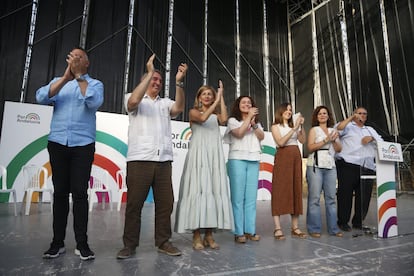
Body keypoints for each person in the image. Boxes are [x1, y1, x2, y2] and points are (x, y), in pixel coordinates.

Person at [116, 54, 188, 259]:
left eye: (158, 80)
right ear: (144, 81)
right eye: (152, 79)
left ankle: (163, 242)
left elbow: (179, 107)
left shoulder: (165, 103)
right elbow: (133, 102)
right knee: (134, 205)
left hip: (164, 161)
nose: (156, 82)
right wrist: (150, 72)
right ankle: (129, 245)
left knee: (165, 203)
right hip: (140, 160)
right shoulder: (133, 97)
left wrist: (179, 83)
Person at [36, 47, 104, 260]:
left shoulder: (94, 84)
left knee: (80, 193)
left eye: (79, 57)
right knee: (60, 193)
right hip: (57, 143)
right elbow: (41, 97)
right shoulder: (59, 82)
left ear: (86, 63)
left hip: (83, 145)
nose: (74, 59)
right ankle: (57, 243)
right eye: (71, 56)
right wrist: (66, 77)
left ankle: (82, 244)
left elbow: (93, 101)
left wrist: (78, 78)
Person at [174, 80, 233, 250]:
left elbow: (224, 118)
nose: (207, 96)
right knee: (198, 191)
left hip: (213, 156)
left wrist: (221, 96)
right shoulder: (193, 112)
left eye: (210, 94)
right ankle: (196, 235)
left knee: (213, 192)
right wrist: (216, 99)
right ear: (199, 98)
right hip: (199, 156)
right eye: (204, 94)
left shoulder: (215, 116)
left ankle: (209, 234)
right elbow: (202, 117)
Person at [335, 106, 383, 232]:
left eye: (364, 114)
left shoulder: (370, 129)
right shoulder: (348, 126)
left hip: (367, 166)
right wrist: (351, 118)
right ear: (354, 114)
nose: (362, 115)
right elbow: (338, 129)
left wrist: (371, 138)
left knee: (364, 196)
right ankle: (343, 221)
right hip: (348, 164)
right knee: (345, 194)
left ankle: (358, 222)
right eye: (359, 113)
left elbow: (381, 142)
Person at [223, 96, 264, 243]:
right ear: (238, 106)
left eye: (249, 103)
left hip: (254, 159)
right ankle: (238, 231)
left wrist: (253, 124)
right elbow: (239, 133)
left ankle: (250, 230)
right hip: (237, 159)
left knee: (251, 198)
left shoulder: (256, 123)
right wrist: (248, 119)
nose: (247, 104)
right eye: (244, 102)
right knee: (238, 198)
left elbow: (261, 136)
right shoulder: (232, 121)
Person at [271, 102, 307, 240]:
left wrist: (300, 127)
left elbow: (302, 140)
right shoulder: (275, 126)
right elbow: (280, 142)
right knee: (280, 189)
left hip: (295, 156)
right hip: (283, 157)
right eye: (286, 109)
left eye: (291, 110)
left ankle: (295, 227)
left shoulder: (294, 126)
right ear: (280, 111)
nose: (289, 112)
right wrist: (294, 129)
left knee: (295, 188)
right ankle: (278, 228)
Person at [306, 106, 343, 238]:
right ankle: (314, 228)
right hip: (315, 165)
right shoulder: (313, 130)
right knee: (314, 198)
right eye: (319, 114)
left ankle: (333, 228)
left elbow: (339, 149)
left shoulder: (333, 130)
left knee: (331, 198)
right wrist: (325, 140)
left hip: (330, 166)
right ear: (316, 117)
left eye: (324, 113)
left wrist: (334, 140)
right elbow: (309, 148)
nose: (322, 115)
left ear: (328, 116)